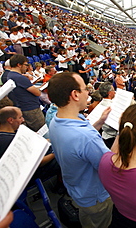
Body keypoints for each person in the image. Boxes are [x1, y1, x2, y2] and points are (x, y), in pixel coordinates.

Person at [48, 72, 113, 228]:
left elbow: (80, 143)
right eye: (85, 89)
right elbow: (110, 168)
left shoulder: (57, 119)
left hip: (78, 189)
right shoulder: (86, 137)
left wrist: (99, 123)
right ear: (75, 95)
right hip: (95, 198)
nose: (88, 92)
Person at [0, 107, 59, 182]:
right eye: (20, 117)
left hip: (39, 154)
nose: (23, 120)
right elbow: (37, 163)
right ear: (10, 120)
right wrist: (55, 153)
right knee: (67, 156)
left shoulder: (6, 133)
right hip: (32, 172)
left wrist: (51, 141)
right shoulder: (7, 142)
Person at [7, 54, 45, 132]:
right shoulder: (20, 78)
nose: (26, 67)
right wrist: (39, 89)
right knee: (42, 131)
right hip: (31, 108)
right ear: (19, 65)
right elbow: (37, 93)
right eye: (26, 65)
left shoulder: (10, 75)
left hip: (23, 106)